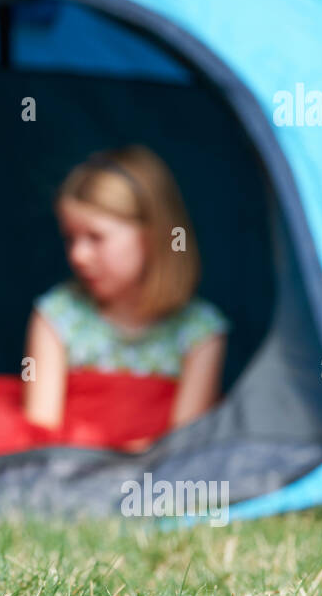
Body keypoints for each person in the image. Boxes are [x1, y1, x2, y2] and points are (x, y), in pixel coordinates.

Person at [22, 146, 230, 448]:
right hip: (73, 466)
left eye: (96, 237)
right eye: (70, 238)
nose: (78, 255)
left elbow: (184, 446)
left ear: (152, 236)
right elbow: (41, 431)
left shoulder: (200, 331)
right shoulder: (57, 316)